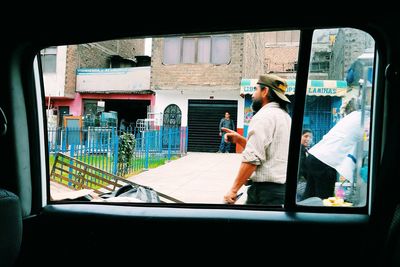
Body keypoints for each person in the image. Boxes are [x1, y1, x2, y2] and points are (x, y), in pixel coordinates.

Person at [223, 74, 291, 205]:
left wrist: (233, 190)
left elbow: (252, 158)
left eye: (256, 90)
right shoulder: (285, 117)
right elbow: (269, 150)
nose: (253, 95)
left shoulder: (263, 116)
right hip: (279, 191)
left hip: (264, 194)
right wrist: (240, 140)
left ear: (265, 91)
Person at [303, 101, 369, 200]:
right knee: (323, 200)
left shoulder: (351, 117)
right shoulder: (365, 119)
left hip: (314, 156)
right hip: (324, 162)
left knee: (310, 197)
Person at [297, 129, 313, 201]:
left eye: (310, 137)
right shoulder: (301, 150)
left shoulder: (306, 150)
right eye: (305, 136)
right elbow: (302, 168)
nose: (308, 139)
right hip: (300, 181)